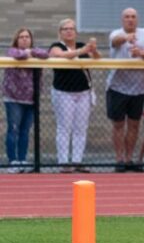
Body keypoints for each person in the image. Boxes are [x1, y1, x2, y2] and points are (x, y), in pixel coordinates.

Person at [107, 7, 144, 172]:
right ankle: (119, 159)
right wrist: (125, 38)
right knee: (118, 124)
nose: (130, 19)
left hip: (139, 87)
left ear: (137, 19)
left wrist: (141, 52)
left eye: (133, 17)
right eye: (127, 17)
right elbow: (114, 42)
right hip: (117, 86)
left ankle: (129, 159)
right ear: (122, 20)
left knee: (134, 125)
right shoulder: (116, 33)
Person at [48, 19, 101, 173]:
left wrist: (93, 49)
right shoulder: (56, 46)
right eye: (65, 29)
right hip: (63, 92)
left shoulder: (81, 45)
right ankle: (63, 162)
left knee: (81, 128)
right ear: (60, 32)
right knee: (64, 127)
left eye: (72, 28)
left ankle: (77, 160)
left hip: (83, 92)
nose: (69, 31)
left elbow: (97, 58)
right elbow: (60, 55)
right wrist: (82, 51)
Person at [3, 28, 48, 173]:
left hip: (31, 99)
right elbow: (18, 55)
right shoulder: (12, 51)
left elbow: (45, 54)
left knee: (25, 131)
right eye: (21, 37)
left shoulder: (35, 51)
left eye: (27, 37)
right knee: (13, 130)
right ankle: (13, 161)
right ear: (16, 39)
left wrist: (31, 52)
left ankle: (22, 160)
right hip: (13, 98)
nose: (24, 39)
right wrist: (28, 53)